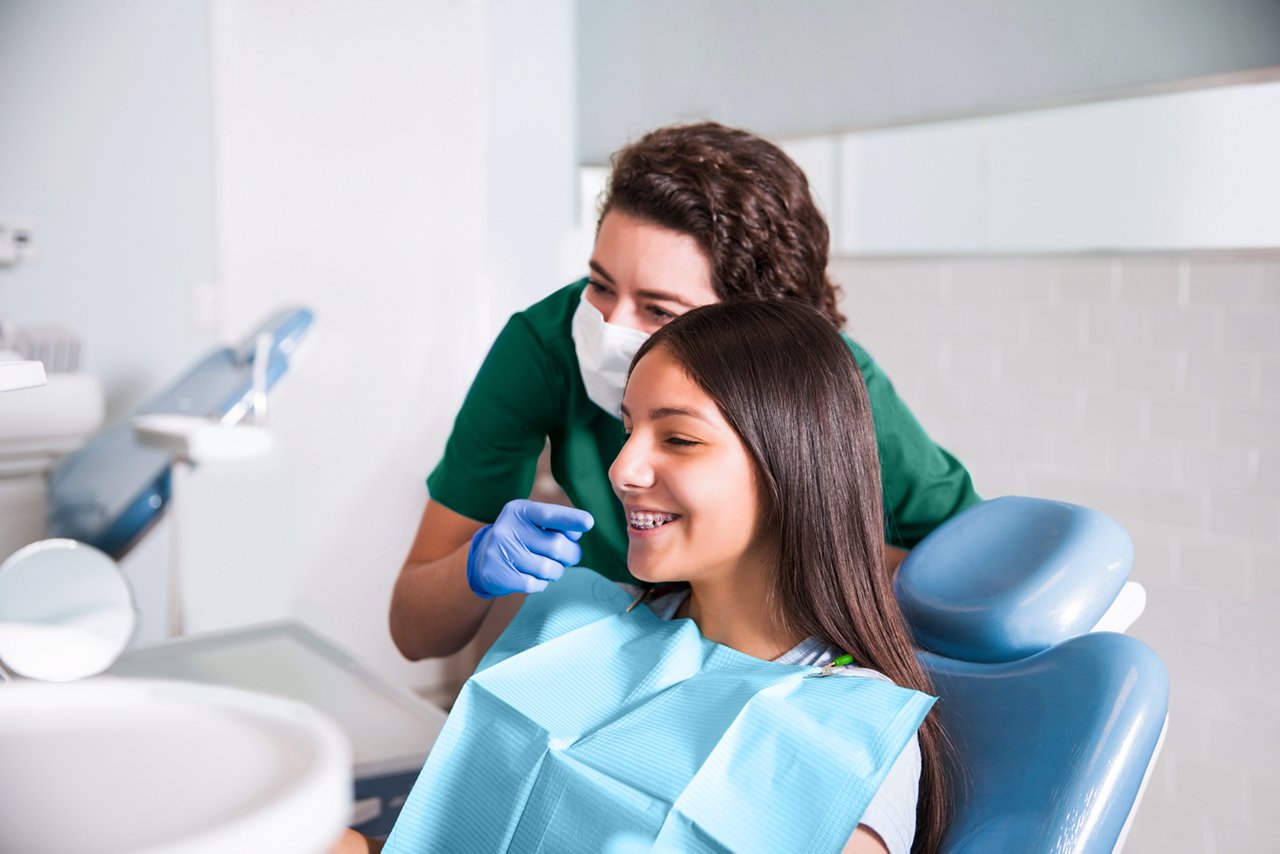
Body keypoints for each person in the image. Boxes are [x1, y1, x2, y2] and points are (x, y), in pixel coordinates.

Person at [337, 300, 949, 854]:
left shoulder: (849, 733)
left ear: (790, 468)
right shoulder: (578, 625)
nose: (623, 468)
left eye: (679, 439)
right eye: (628, 430)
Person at [389, 121, 979, 665]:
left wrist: (818, 556)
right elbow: (416, 632)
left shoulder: (831, 390)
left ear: (760, 341)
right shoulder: (546, 346)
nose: (609, 326)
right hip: (630, 650)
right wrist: (475, 567)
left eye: (659, 309)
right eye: (599, 283)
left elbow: (978, 587)